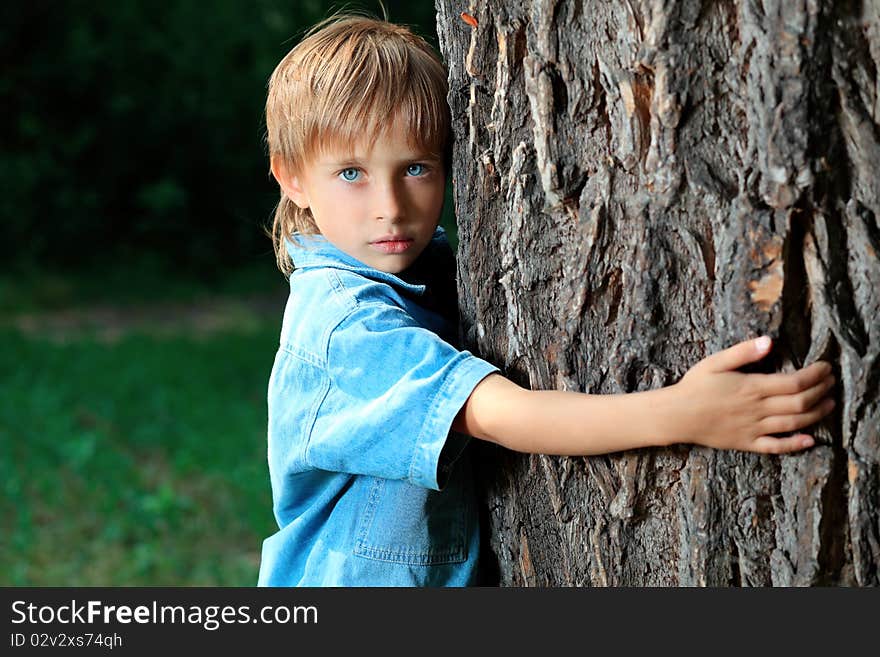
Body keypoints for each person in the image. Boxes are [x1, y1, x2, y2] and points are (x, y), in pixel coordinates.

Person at [257, 14, 836, 587]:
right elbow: (505, 415)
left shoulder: (416, 269)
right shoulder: (345, 327)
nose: (391, 205)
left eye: (415, 167)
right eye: (351, 173)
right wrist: (687, 412)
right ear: (293, 178)